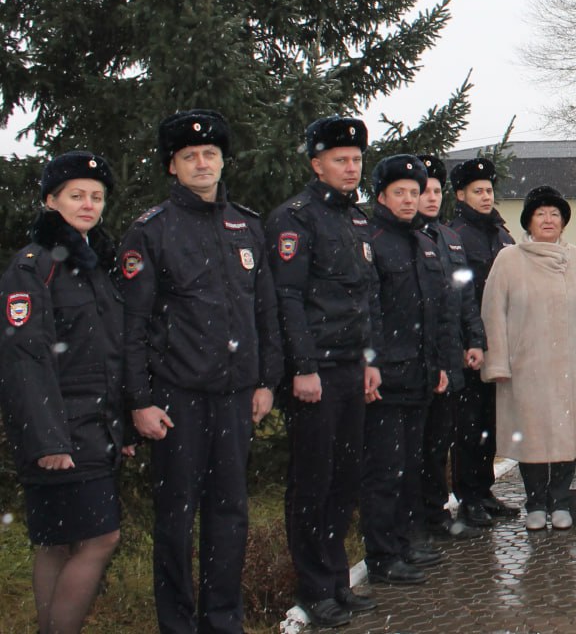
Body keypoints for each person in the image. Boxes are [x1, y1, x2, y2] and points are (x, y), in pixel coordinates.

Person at [119, 110, 282, 634]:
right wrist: (140, 400)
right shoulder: (150, 231)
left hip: (235, 395)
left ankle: (222, 621)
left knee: (230, 514)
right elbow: (133, 325)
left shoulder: (247, 225)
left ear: (222, 160)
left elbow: (265, 311)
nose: (202, 163)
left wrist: (267, 381)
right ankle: (177, 624)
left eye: (210, 154)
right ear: (173, 166)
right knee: (175, 519)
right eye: (189, 156)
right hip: (177, 398)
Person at [0, 152, 128, 634]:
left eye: (96, 196)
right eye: (76, 195)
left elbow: (109, 354)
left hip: (96, 425)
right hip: (60, 430)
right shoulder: (33, 267)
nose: (88, 204)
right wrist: (48, 440)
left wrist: (121, 426)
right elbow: (25, 359)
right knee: (100, 539)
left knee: (58, 543)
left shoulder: (95, 266)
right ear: (51, 201)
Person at [266, 116, 382, 628]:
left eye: (356, 160)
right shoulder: (295, 219)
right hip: (316, 371)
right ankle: (314, 588)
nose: (351, 168)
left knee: (345, 478)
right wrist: (303, 367)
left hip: (351, 367)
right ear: (317, 164)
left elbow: (366, 297)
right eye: (340, 160)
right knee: (313, 480)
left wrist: (369, 360)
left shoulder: (355, 219)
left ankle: (337, 580)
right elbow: (287, 298)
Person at [481, 186, 576, 531]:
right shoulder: (509, 259)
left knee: (567, 436)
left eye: (554, 214)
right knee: (531, 436)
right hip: (526, 366)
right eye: (540, 214)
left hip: (568, 364)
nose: (548, 220)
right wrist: (498, 362)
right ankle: (535, 502)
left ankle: (560, 501)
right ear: (528, 221)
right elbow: (493, 312)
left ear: (563, 222)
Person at [361, 155, 449, 585]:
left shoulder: (423, 242)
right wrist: (371, 363)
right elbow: (368, 310)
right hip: (387, 378)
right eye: (400, 192)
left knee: (412, 465)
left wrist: (439, 364)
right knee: (385, 470)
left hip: (419, 374)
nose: (410, 199)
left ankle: (406, 541)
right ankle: (382, 554)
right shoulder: (372, 241)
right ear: (381, 197)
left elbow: (434, 310)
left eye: (415, 192)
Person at [415, 154, 486, 542]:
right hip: (415, 360)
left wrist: (474, 339)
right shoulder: (402, 237)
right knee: (417, 446)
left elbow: (465, 298)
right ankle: (419, 518)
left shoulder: (449, 238)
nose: (430, 197)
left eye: (435, 191)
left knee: (441, 440)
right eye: (423, 191)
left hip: (450, 356)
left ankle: (437, 511)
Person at [447, 156, 520, 527]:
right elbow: (458, 296)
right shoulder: (455, 235)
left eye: (489, 190)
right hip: (470, 346)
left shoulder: (502, 234)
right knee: (469, 425)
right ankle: (468, 496)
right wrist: (466, 340)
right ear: (461, 195)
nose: (486, 196)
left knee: (491, 422)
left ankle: (485, 489)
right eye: (477, 191)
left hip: (500, 343)